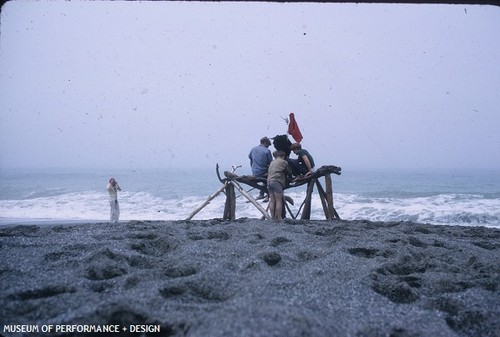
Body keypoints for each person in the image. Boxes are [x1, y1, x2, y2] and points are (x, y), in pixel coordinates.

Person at [267, 150, 292, 220]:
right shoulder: (283, 162)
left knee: (272, 201)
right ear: (283, 156)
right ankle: (279, 217)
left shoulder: (272, 162)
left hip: (269, 181)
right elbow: (290, 172)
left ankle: (272, 217)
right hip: (277, 181)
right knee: (278, 200)